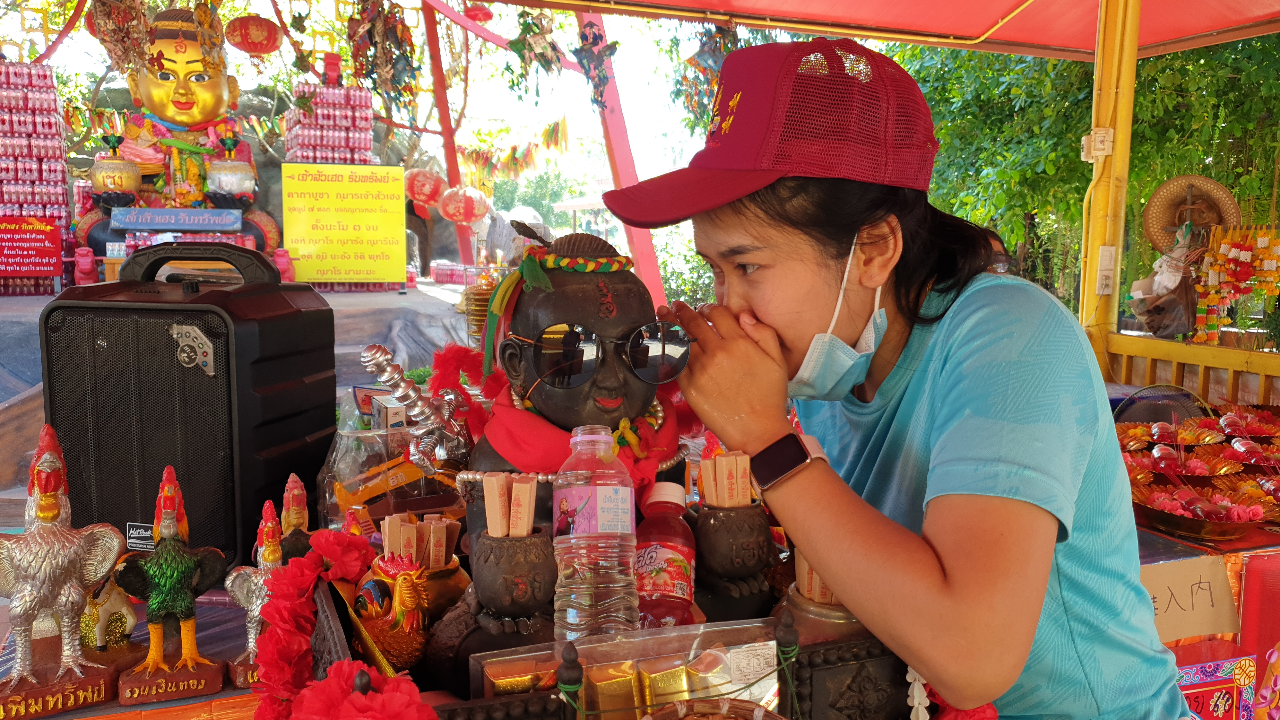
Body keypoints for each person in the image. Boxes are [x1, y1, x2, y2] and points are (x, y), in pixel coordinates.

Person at [603, 39, 1186, 718]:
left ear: (874, 249)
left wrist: (769, 444)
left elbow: (975, 658)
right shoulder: (830, 369)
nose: (727, 305)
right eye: (714, 271)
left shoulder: (1013, 338)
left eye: (748, 267)